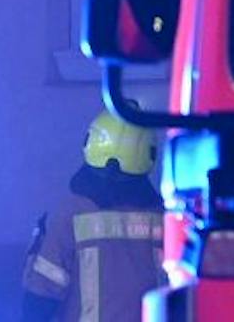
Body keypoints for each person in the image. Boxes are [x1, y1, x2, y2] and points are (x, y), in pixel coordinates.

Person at [20, 111, 166, 322]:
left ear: (91, 144)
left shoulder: (72, 213)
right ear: (148, 154)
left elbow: (42, 293)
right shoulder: (162, 218)